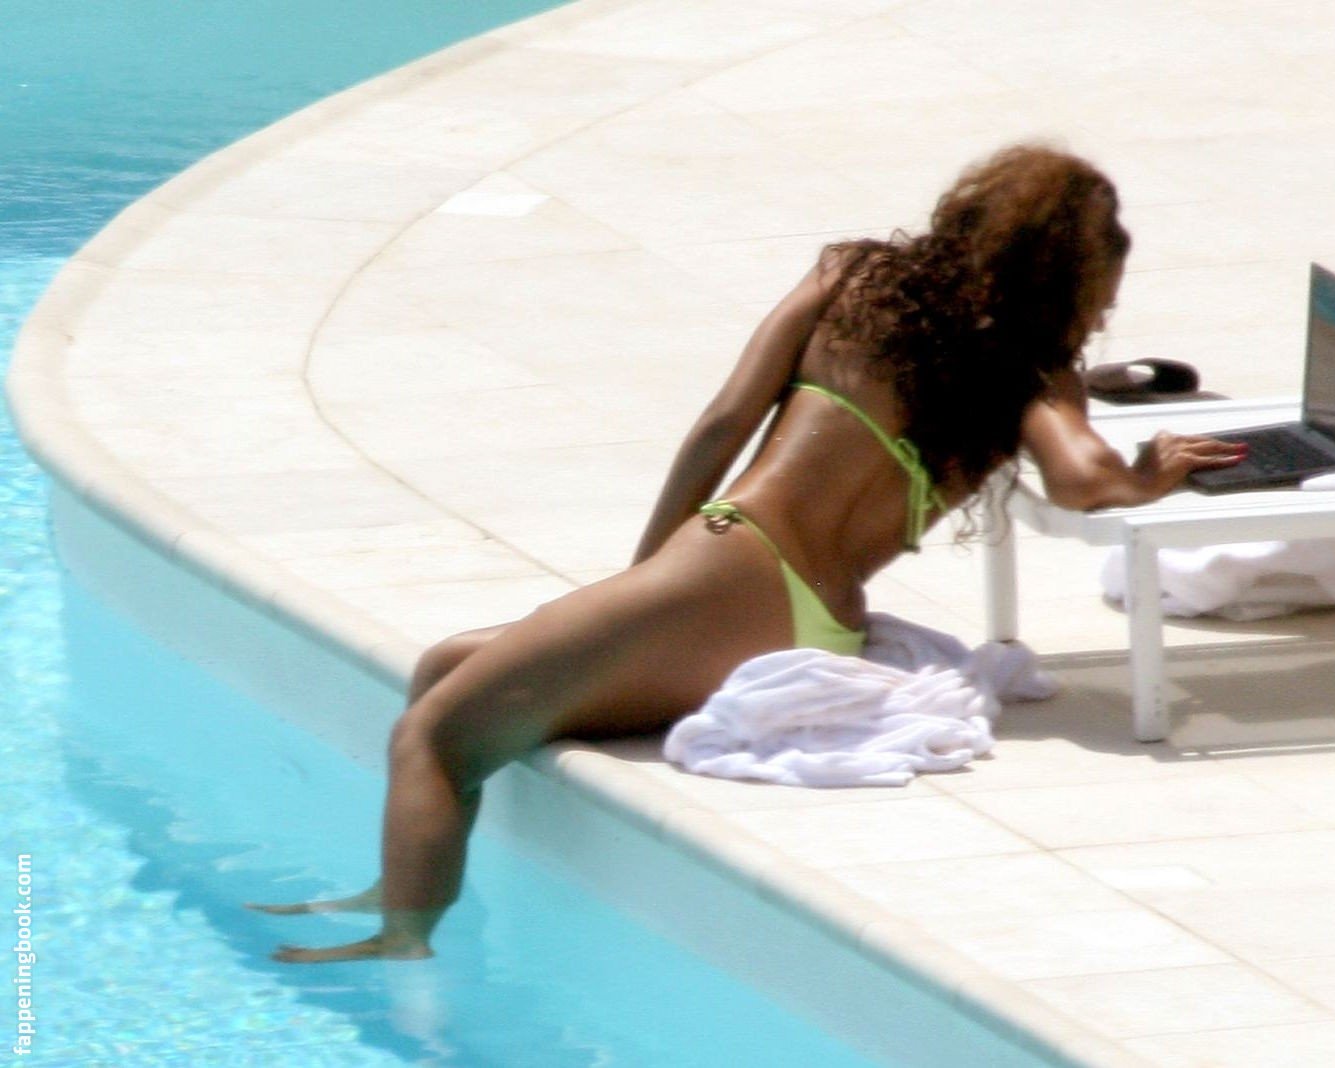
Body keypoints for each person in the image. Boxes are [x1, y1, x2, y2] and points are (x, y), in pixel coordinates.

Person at [252, 144, 1245, 962]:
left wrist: (651, 573)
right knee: (443, 668)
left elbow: (720, 427)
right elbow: (1081, 480)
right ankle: (402, 885)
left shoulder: (851, 280)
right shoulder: (1030, 374)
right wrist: (1146, 474)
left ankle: (404, 945)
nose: (1098, 319)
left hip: (736, 569)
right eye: (1097, 297)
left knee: (435, 737)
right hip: (814, 617)